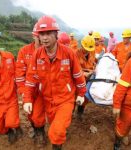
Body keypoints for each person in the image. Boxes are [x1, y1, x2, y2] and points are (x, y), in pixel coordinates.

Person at [23, 16, 86, 150]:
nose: (44, 38)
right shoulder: (37, 54)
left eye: (48, 33)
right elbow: (30, 78)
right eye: (42, 34)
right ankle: (52, 134)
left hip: (65, 99)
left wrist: (81, 93)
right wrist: (27, 99)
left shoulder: (68, 53)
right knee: (49, 123)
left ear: (56, 34)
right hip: (46, 98)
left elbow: (78, 75)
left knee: (56, 132)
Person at [15, 23, 47, 144]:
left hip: (42, 90)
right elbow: (19, 74)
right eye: (38, 35)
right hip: (28, 89)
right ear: (34, 36)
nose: (40, 38)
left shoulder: (48, 51)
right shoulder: (24, 51)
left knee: (38, 115)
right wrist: (23, 91)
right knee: (29, 114)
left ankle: (40, 132)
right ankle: (35, 128)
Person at [113, 32, 131, 150]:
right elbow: (122, 85)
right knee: (121, 129)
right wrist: (116, 104)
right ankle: (117, 144)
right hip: (130, 104)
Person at [0, 33, 22, 143]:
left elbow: (17, 74)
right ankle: (8, 131)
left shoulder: (9, 56)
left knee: (12, 122)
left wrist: (20, 89)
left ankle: (14, 128)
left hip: (11, 98)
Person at [76, 35, 96, 118]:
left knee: (86, 96)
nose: (88, 50)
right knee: (76, 96)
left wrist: (94, 68)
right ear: (82, 45)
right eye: (86, 48)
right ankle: (70, 112)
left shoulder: (92, 52)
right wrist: (84, 73)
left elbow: (94, 62)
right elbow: (75, 69)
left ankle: (80, 112)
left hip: (89, 79)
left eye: (89, 49)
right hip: (79, 80)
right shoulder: (76, 54)